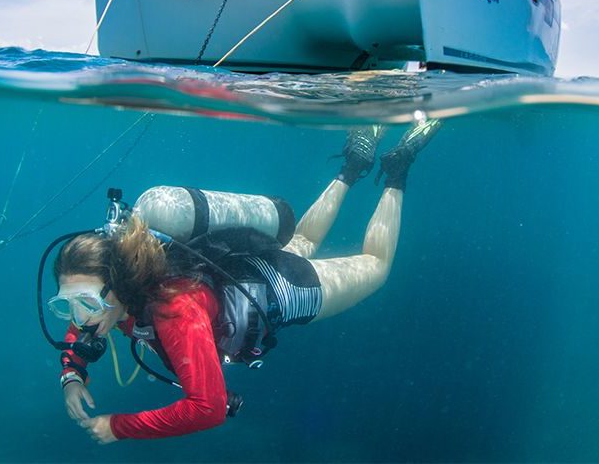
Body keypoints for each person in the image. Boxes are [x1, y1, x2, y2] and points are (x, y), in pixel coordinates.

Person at [47, 120, 441, 444]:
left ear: (116, 285)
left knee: (376, 264)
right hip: (245, 267)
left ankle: (397, 169)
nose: (78, 317)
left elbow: (208, 407)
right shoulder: (121, 289)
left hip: (282, 289)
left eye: (84, 302)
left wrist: (118, 427)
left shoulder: (174, 312)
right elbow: (82, 324)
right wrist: (72, 373)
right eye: (67, 303)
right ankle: (353, 165)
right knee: (301, 241)